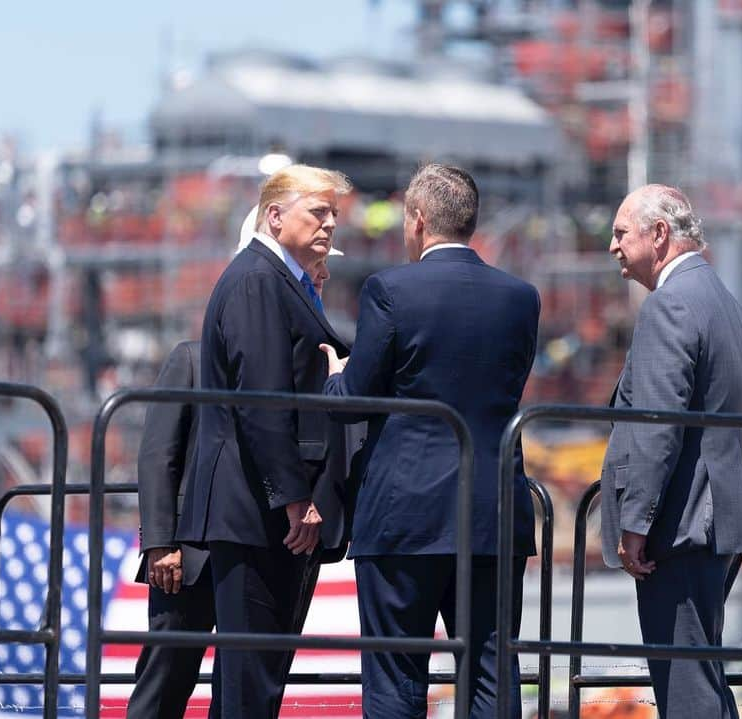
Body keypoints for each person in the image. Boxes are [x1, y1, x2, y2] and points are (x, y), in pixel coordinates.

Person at [320, 164, 540, 719]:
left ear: (417, 221)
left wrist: (332, 372)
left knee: (396, 677)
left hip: (405, 514)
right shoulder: (521, 298)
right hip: (494, 513)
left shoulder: (390, 289)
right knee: (493, 674)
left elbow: (356, 395)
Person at [176, 164, 353, 718]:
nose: (329, 226)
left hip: (261, 512)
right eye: (317, 213)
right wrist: (296, 499)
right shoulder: (257, 279)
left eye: (334, 216)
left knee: (249, 683)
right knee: (253, 684)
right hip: (257, 516)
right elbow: (262, 400)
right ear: (275, 217)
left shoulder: (278, 281)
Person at [599, 184, 742, 718]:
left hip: (675, 532)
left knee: (684, 688)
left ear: (659, 236)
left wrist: (636, 522)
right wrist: (716, 468)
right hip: (715, 525)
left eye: (620, 233)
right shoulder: (724, 301)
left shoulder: (669, 305)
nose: (612, 247)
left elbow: (659, 426)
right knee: (702, 676)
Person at [129, 339, 219, 719]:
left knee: (242, 685)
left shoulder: (285, 363)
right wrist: (160, 543)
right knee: (164, 681)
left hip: (255, 551)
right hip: (186, 555)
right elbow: (157, 454)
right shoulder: (191, 359)